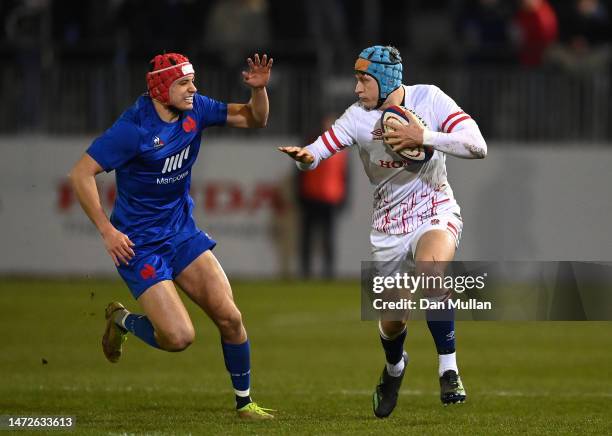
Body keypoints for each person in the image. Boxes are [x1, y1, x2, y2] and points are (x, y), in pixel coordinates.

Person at [279, 45, 487, 418]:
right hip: (389, 229)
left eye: (363, 80)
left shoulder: (431, 98)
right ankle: (395, 368)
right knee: (393, 321)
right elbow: (320, 149)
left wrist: (425, 136)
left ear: (386, 79)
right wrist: (306, 158)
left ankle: (449, 369)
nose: (357, 89)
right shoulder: (357, 118)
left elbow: (478, 146)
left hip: (434, 210)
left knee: (432, 271)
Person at [69, 52, 274, 419]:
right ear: (162, 89)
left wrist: (259, 92)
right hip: (139, 246)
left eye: (193, 80)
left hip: (181, 233)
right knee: (179, 338)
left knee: (230, 318)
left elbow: (254, 118)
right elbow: (81, 174)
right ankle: (122, 321)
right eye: (184, 82)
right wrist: (107, 230)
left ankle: (244, 403)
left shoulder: (197, 109)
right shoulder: (134, 129)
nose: (193, 88)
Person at [298, 114, 349, 279]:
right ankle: (306, 272)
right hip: (311, 197)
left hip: (330, 199)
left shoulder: (340, 149)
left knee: (328, 238)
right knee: (308, 237)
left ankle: (328, 273)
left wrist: (343, 198)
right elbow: (299, 173)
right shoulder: (310, 144)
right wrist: (300, 195)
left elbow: (344, 176)